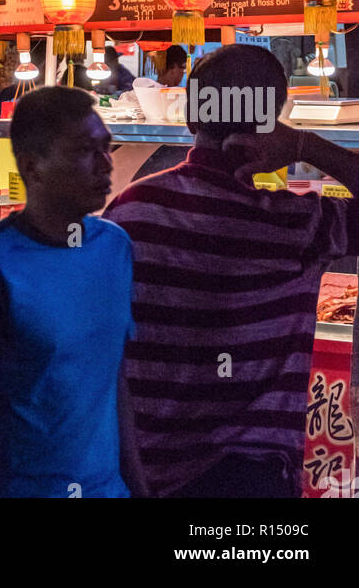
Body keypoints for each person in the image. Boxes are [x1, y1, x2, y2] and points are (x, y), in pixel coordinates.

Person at [105, 44, 359, 499]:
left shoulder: (129, 211)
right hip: (249, 476)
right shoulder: (294, 223)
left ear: (191, 118)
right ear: (271, 123)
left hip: (143, 468)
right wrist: (305, 145)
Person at [0, 86, 146, 498]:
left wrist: (136, 484)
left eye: (107, 147)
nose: (106, 165)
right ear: (33, 167)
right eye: (85, 151)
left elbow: (112, 377)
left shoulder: (115, 249)